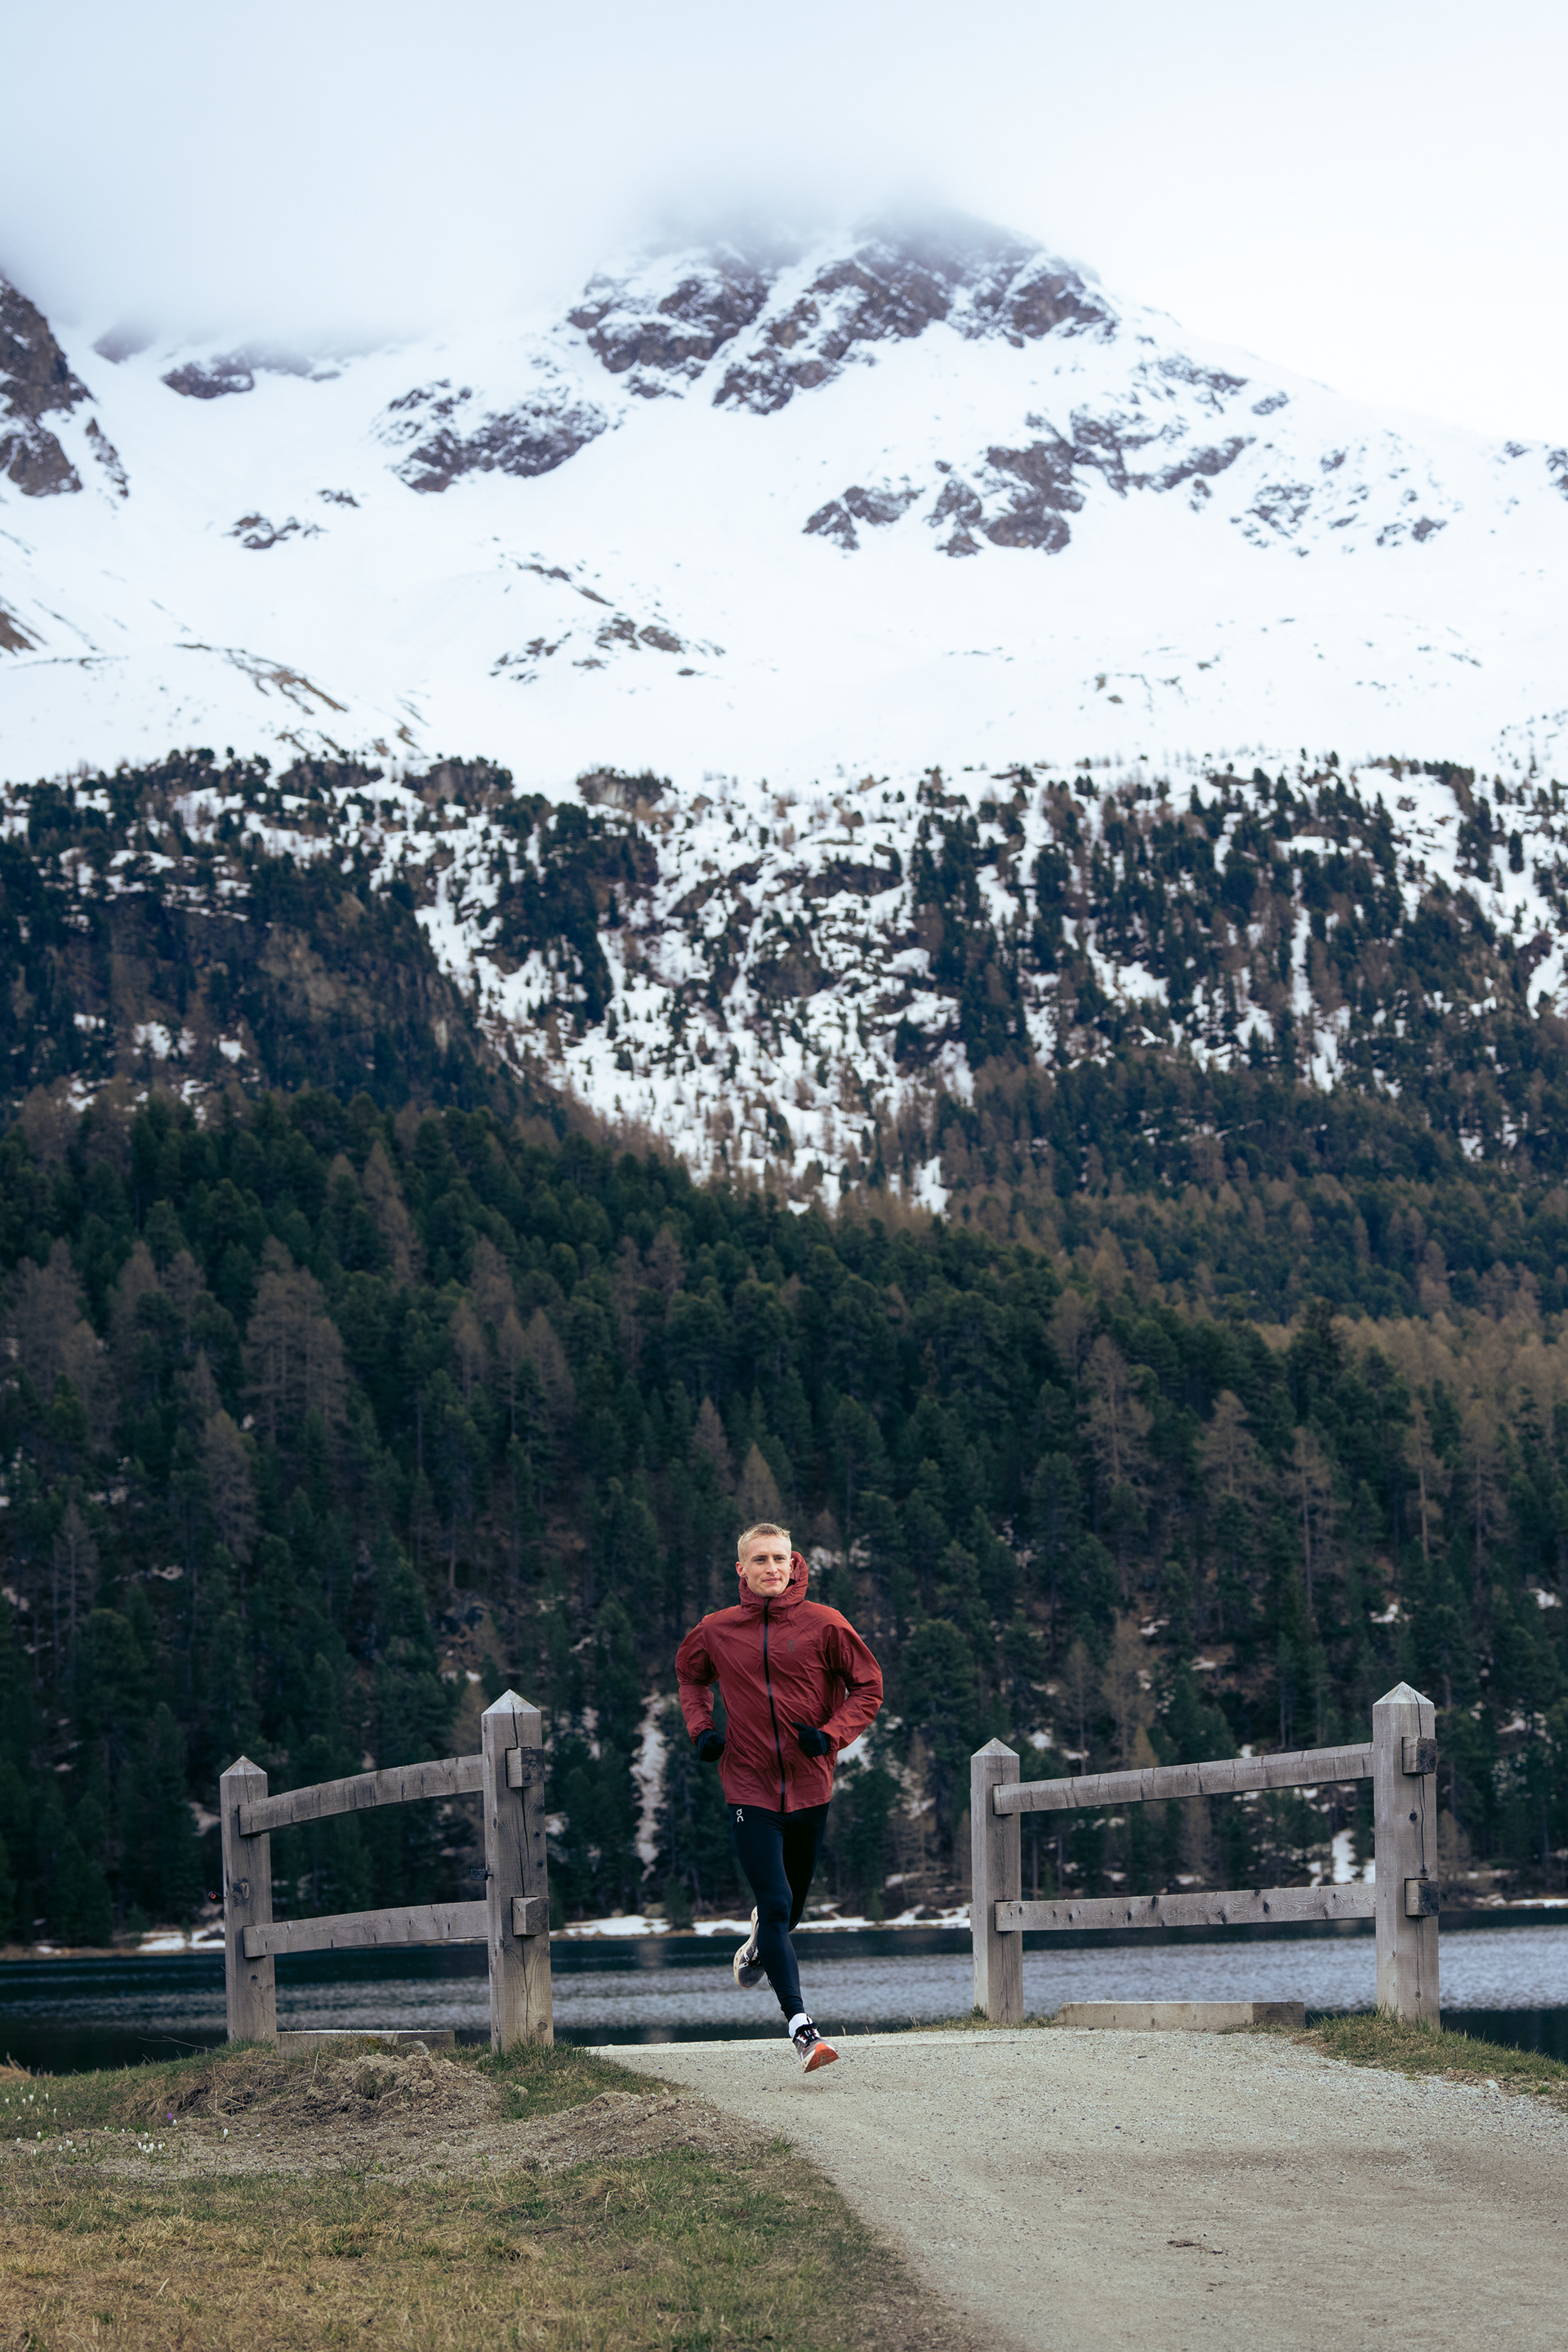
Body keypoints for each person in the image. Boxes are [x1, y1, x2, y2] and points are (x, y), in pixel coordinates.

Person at [675, 1520, 884, 2072]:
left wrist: (832, 1734)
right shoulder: (716, 1629)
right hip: (747, 1783)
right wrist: (703, 1729)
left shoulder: (826, 1625)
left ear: (795, 1564)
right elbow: (690, 1676)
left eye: (781, 1558)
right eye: (761, 1559)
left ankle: (755, 1949)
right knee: (773, 1903)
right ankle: (803, 2030)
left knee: (787, 1911)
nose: (773, 1568)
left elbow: (869, 1686)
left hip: (811, 1782)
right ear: (741, 1569)